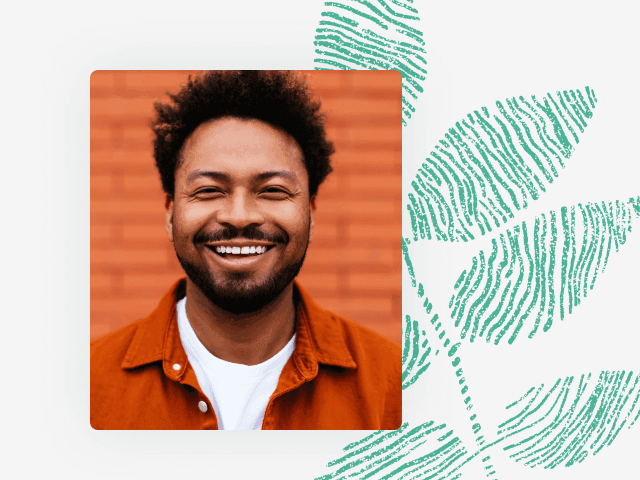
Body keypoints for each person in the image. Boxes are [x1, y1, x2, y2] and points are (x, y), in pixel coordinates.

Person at [90, 70, 401, 430]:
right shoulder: (87, 386)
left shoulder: (394, 387)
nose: (239, 216)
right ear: (171, 212)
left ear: (311, 213)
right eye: (208, 190)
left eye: (272, 190)